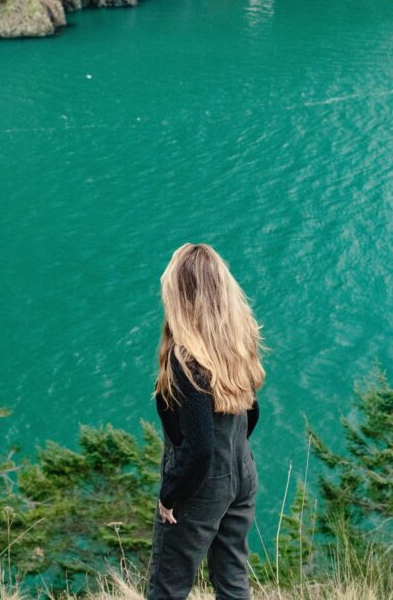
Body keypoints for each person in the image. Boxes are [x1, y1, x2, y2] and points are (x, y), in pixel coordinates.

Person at [147, 243, 265, 600]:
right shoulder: (235, 342)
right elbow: (252, 411)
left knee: (168, 586)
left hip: (201, 484)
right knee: (232, 578)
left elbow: (199, 449)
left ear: (180, 295)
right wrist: (235, 459)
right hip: (241, 473)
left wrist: (170, 494)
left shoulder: (186, 359)